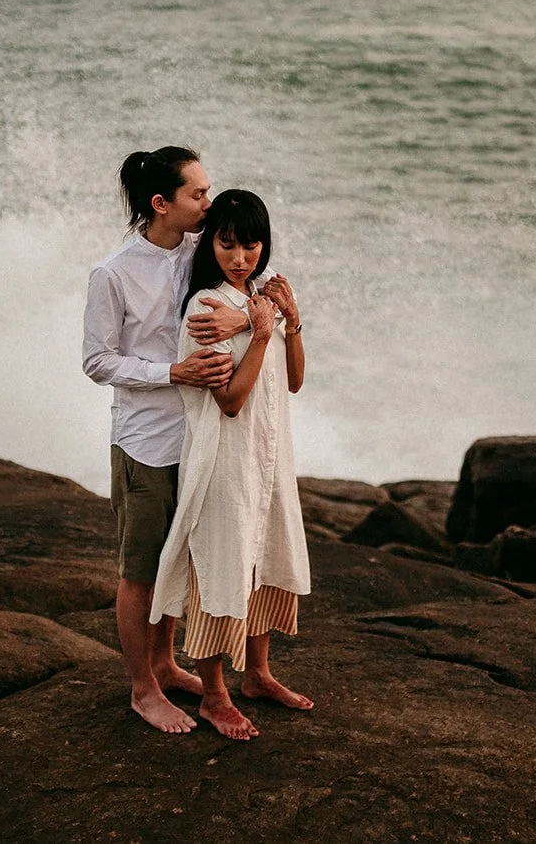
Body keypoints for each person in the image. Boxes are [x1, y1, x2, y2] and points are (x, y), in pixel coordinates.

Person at [81, 146, 253, 734]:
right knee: (141, 570)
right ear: (162, 203)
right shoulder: (113, 272)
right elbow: (97, 361)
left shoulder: (198, 253)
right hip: (145, 443)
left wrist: (246, 319)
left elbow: (258, 286)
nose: (209, 202)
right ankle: (142, 688)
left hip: (201, 437)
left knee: (181, 559)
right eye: (197, 194)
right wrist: (170, 373)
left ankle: (165, 662)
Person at [151, 189, 312, 742]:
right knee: (223, 566)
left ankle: (259, 675)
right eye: (227, 244)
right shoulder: (206, 308)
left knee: (266, 556)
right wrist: (259, 331)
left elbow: (294, 381)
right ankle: (214, 693)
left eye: (250, 245)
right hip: (224, 464)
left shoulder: (256, 301)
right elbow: (231, 400)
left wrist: (291, 323)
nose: (239, 257)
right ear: (211, 245)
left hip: (269, 457)